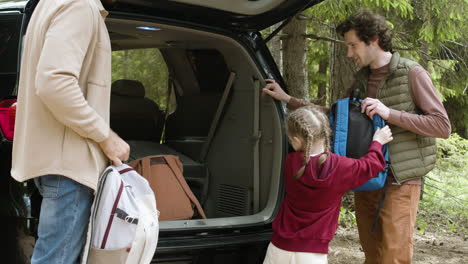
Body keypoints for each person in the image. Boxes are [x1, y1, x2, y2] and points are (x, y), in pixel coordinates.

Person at [262, 9, 451, 264]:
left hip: (401, 178)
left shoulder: (411, 73)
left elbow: (441, 126)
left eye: (353, 45)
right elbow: (335, 114)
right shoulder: (362, 79)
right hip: (366, 174)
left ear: (373, 40)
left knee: (394, 256)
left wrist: (388, 113)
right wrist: (287, 99)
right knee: (371, 252)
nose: (349, 53)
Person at [11, 0, 130, 263]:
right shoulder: (80, 6)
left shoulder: (52, 3)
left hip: (58, 163)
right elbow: (54, 82)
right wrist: (106, 136)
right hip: (70, 166)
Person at [263, 106, 393, 264]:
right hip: (312, 255)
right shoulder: (341, 168)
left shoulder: (291, 163)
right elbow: (370, 166)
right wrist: (377, 142)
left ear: (296, 141)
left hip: (279, 248)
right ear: (326, 132)